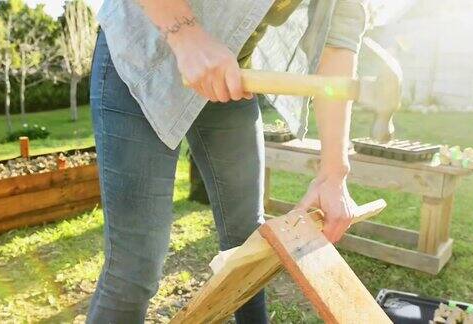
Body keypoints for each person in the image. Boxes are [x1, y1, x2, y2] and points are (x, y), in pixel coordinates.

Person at [87, 0, 368, 323]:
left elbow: (338, 40)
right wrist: (187, 35)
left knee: (247, 246)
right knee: (133, 269)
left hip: (227, 80)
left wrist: (334, 172)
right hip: (144, 52)